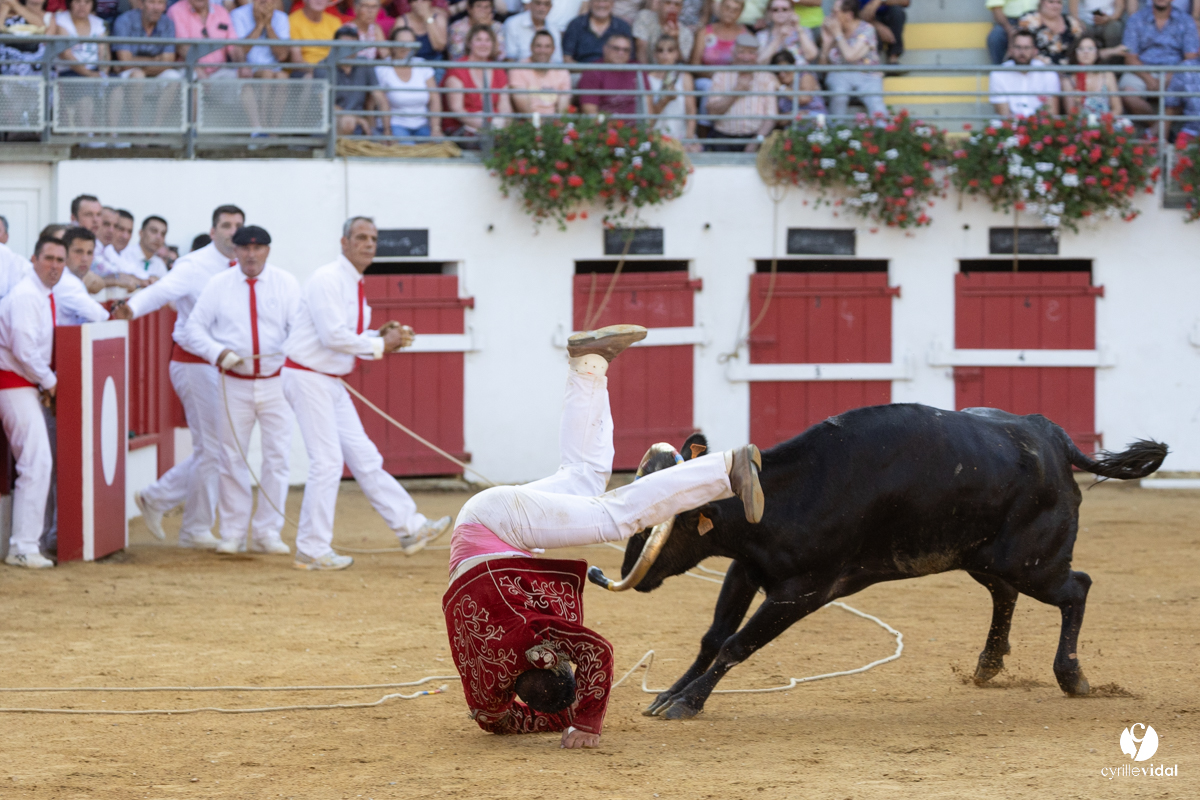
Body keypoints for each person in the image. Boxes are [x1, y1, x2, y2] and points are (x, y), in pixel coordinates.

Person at [443, 324, 765, 747]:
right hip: (483, 525)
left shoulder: (538, 634)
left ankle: (725, 469)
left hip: (499, 526)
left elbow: (598, 653)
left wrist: (584, 723)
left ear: (553, 659)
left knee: (615, 518)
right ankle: (589, 362)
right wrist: (563, 718)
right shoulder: (486, 690)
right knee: (584, 478)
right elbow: (494, 720)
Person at [281, 217, 451, 571]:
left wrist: (378, 335)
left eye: (372, 238)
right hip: (309, 376)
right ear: (343, 242)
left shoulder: (350, 282)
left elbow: (342, 333)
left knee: (364, 455)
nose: (368, 244)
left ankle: (410, 528)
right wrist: (379, 343)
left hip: (326, 378)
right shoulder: (328, 279)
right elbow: (332, 336)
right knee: (327, 463)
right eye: (361, 237)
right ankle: (312, 549)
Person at [112, 205, 246, 550]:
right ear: (213, 230)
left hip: (222, 366)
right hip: (194, 362)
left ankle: (159, 499)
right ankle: (193, 527)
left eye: (238, 226)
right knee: (214, 448)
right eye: (226, 225)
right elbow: (162, 291)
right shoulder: (194, 265)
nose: (233, 232)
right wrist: (133, 307)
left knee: (214, 448)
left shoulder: (243, 267)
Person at [180, 225, 298, 557]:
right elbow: (193, 328)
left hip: (275, 381)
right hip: (234, 382)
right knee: (231, 457)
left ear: (267, 251)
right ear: (235, 251)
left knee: (277, 457)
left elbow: (298, 328)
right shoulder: (218, 285)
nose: (251, 253)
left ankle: (267, 531)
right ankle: (232, 531)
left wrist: (285, 354)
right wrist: (219, 353)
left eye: (258, 247)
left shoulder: (285, 283)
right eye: (245, 247)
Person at [0, 234, 64, 569]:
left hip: (22, 383)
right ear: (34, 259)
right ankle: (23, 546)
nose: (54, 266)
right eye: (49, 259)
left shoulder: (40, 295)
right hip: (13, 383)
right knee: (36, 462)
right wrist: (51, 382)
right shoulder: (26, 296)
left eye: (59, 260)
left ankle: (27, 543)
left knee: (37, 462)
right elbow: (24, 350)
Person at [1121, 0, 1200, 117]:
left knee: (1190, 85)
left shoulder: (1186, 20)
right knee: (1127, 94)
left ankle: (1154, 131)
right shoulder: (1136, 19)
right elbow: (1130, 57)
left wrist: (1169, 77)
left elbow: (1190, 57)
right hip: (1143, 70)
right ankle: (1157, 127)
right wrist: (1148, 78)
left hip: (1175, 72)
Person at [707, 32, 778, 151]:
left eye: (751, 53)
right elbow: (712, 113)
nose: (746, 57)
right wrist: (736, 91)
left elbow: (771, 117)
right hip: (724, 138)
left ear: (757, 55)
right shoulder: (721, 76)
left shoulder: (766, 77)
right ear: (733, 53)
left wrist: (756, 141)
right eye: (742, 52)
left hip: (755, 137)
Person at [820, 0, 886, 118]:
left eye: (835, 13)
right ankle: (836, 132)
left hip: (867, 76)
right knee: (839, 95)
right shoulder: (833, 32)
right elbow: (822, 68)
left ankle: (884, 132)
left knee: (876, 103)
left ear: (848, 15)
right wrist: (826, 43)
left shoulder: (866, 29)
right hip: (839, 76)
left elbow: (850, 56)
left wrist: (838, 35)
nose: (831, 17)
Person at [443, 26, 512, 135]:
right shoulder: (457, 69)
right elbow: (457, 110)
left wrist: (504, 125)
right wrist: (486, 126)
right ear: (469, 43)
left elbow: (505, 107)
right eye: (478, 40)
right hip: (462, 127)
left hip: (495, 127)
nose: (483, 44)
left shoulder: (498, 70)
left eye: (487, 40)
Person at [376, 26, 442, 139]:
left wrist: (435, 128)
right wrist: (387, 130)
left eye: (410, 43)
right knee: (408, 151)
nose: (406, 47)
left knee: (438, 149)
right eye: (401, 43)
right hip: (395, 125)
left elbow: (435, 98)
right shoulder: (382, 69)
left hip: (423, 124)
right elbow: (381, 102)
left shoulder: (422, 65)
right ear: (392, 45)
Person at [989, 29, 1062, 115]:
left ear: (1035, 51)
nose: (1022, 52)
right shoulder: (998, 74)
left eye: (1027, 48)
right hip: (1009, 126)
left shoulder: (1049, 74)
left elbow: (1051, 114)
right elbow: (1004, 115)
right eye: (1018, 47)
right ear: (1010, 50)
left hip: (1040, 126)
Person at [333, 25, 389, 134]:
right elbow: (324, 103)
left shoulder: (365, 63)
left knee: (384, 144)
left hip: (361, 126)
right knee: (347, 122)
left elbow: (380, 98)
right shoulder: (324, 66)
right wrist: (359, 119)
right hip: (333, 124)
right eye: (343, 46)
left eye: (352, 46)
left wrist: (387, 130)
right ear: (335, 47)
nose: (348, 50)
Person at [645, 35, 699, 148]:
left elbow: (691, 112)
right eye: (661, 50)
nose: (665, 54)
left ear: (676, 54)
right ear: (655, 54)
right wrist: (665, 100)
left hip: (680, 137)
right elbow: (648, 118)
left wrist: (688, 140)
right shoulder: (648, 79)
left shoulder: (685, 77)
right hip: (656, 138)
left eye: (670, 50)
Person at [167, 0, 243, 78]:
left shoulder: (221, 11)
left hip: (219, 71)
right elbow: (182, 47)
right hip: (189, 69)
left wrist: (243, 65)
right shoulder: (176, 11)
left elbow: (233, 46)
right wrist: (197, 69)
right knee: (193, 76)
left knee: (238, 77)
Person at [111, 0, 183, 79]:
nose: (156, 8)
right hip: (130, 73)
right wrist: (157, 60)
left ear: (165, 7)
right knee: (138, 75)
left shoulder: (168, 23)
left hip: (157, 72)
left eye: (160, 3)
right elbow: (125, 62)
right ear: (141, 4)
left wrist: (139, 65)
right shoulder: (124, 20)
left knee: (173, 76)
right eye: (151, 2)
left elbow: (168, 62)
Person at [55, 227, 110, 327]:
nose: (85, 259)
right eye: (78, 252)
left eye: (89, 253)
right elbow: (98, 315)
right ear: (64, 253)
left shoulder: (71, 279)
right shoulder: (66, 281)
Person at [508, 30, 572, 115]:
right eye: (538, 46)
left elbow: (562, 109)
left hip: (554, 124)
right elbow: (524, 110)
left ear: (553, 49)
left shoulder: (562, 72)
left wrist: (557, 125)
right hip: (527, 124)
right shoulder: (518, 69)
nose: (543, 50)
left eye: (547, 46)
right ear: (531, 47)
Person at [231, 0, 293, 78]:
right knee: (267, 74)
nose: (264, 1)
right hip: (247, 70)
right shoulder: (238, 14)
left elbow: (282, 55)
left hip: (274, 70)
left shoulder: (282, 17)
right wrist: (259, 26)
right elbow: (239, 51)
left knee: (282, 76)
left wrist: (268, 26)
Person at [578, 33, 637, 115]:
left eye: (626, 50)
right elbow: (590, 111)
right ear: (605, 49)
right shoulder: (592, 71)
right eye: (616, 48)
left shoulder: (637, 69)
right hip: (604, 125)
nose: (621, 53)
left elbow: (647, 106)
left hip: (637, 126)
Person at [1063, 34, 1122, 113]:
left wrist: (1104, 122)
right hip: (1083, 124)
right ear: (1075, 53)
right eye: (1081, 49)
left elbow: (1117, 109)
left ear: (1097, 53)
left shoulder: (1107, 75)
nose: (1086, 52)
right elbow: (1072, 115)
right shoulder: (1068, 81)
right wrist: (1077, 103)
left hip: (1107, 123)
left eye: (1090, 48)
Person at [562, 0, 633, 63]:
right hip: (580, 73)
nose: (601, 5)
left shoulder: (622, 27)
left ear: (613, 3)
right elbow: (567, 58)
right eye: (597, 1)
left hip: (615, 74)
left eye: (605, 1)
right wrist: (591, 73)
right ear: (590, 3)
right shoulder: (576, 24)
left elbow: (630, 58)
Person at [1017, 0, 1085, 65]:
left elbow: (1082, 45)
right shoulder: (1029, 19)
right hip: (1038, 70)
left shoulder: (1070, 22)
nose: (1055, 6)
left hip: (1068, 70)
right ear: (1041, 2)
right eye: (1051, 2)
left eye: (1059, 2)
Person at [0, 0, 58, 76]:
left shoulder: (49, 17)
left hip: (37, 67)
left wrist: (15, 5)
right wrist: (5, 7)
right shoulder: (11, 15)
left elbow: (42, 29)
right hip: (10, 66)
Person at [54, 0, 109, 79]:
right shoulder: (60, 21)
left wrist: (103, 74)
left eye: (87, 2)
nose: (82, 5)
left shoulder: (99, 22)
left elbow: (104, 53)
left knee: (117, 87)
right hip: (69, 72)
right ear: (70, 3)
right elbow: (65, 54)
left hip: (95, 70)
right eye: (77, 1)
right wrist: (90, 74)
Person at [289, 0, 344, 72]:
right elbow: (297, 60)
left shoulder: (335, 22)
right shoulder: (293, 20)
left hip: (331, 71)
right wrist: (317, 71)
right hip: (303, 73)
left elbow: (341, 55)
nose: (319, 1)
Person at [633, 0, 693, 66]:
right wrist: (645, 75)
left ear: (681, 9)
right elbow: (641, 48)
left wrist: (675, 39)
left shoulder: (686, 32)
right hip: (647, 70)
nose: (672, 7)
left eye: (677, 5)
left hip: (672, 73)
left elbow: (682, 62)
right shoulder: (645, 17)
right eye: (668, 3)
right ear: (659, 4)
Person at [771, 48, 824, 121]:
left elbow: (804, 98)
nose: (782, 74)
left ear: (793, 65)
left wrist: (781, 88)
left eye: (785, 69)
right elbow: (779, 120)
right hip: (791, 125)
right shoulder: (776, 84)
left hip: (814, 121)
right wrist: (793, 115)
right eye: (777, 72)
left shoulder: (805, 75)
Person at [987, 0, 1039, 64]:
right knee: (996, 37)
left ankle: (1049, 71)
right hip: (1009, 21)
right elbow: (996, 8)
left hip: (1038, 18)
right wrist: (1010, 30)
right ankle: (999, 71)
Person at [122, 216, 170, 284]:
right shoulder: (124, 254)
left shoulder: (160, 265)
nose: (158, 237)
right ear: (141, 233)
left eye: (163, 234)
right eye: (154, 231)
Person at [858, 0, 909, 64]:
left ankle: (893, 61)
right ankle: (872, 63)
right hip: (868, 20)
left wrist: (878, 1)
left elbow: (906, 2)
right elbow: (855, 14)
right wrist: (877, 26)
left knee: (897, 11)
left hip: (888, 17)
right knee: (869, 29)